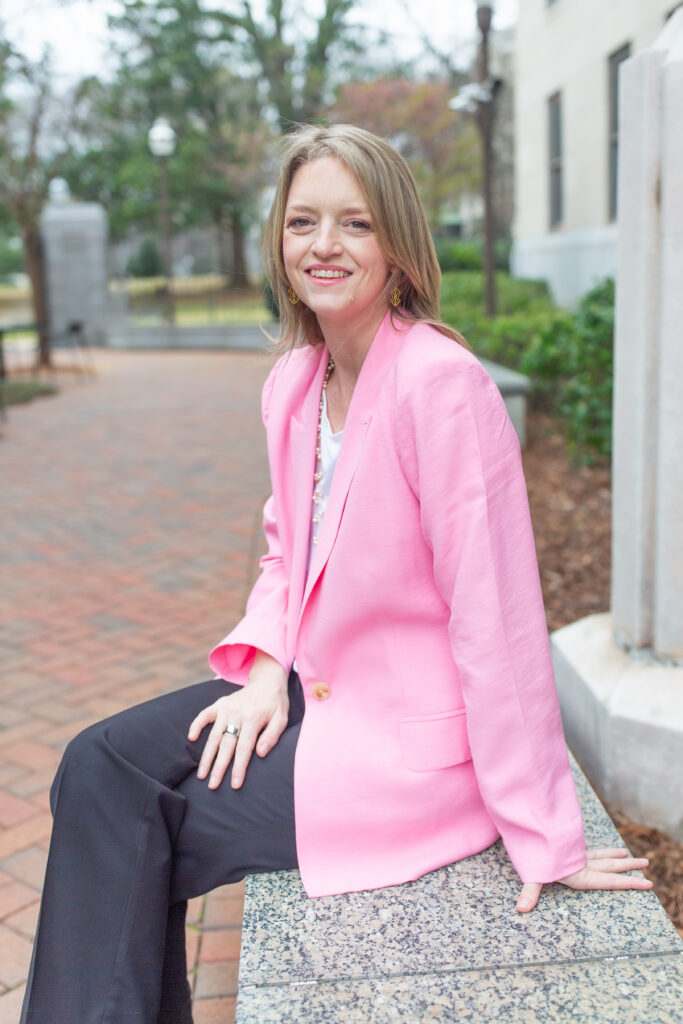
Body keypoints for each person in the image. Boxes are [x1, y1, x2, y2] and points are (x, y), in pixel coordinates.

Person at [21, 124, 652, 1024]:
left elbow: (497, 617)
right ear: (278, 240)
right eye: (303, 221)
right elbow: (287, 551)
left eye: (354, 224)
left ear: (395, 245)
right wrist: (264, 675)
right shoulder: (293, 382)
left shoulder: (443, 386)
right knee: (98, 765)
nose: (324, 245)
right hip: (314, 693)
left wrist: (547, 834)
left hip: (409, 750)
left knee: (127, 837)